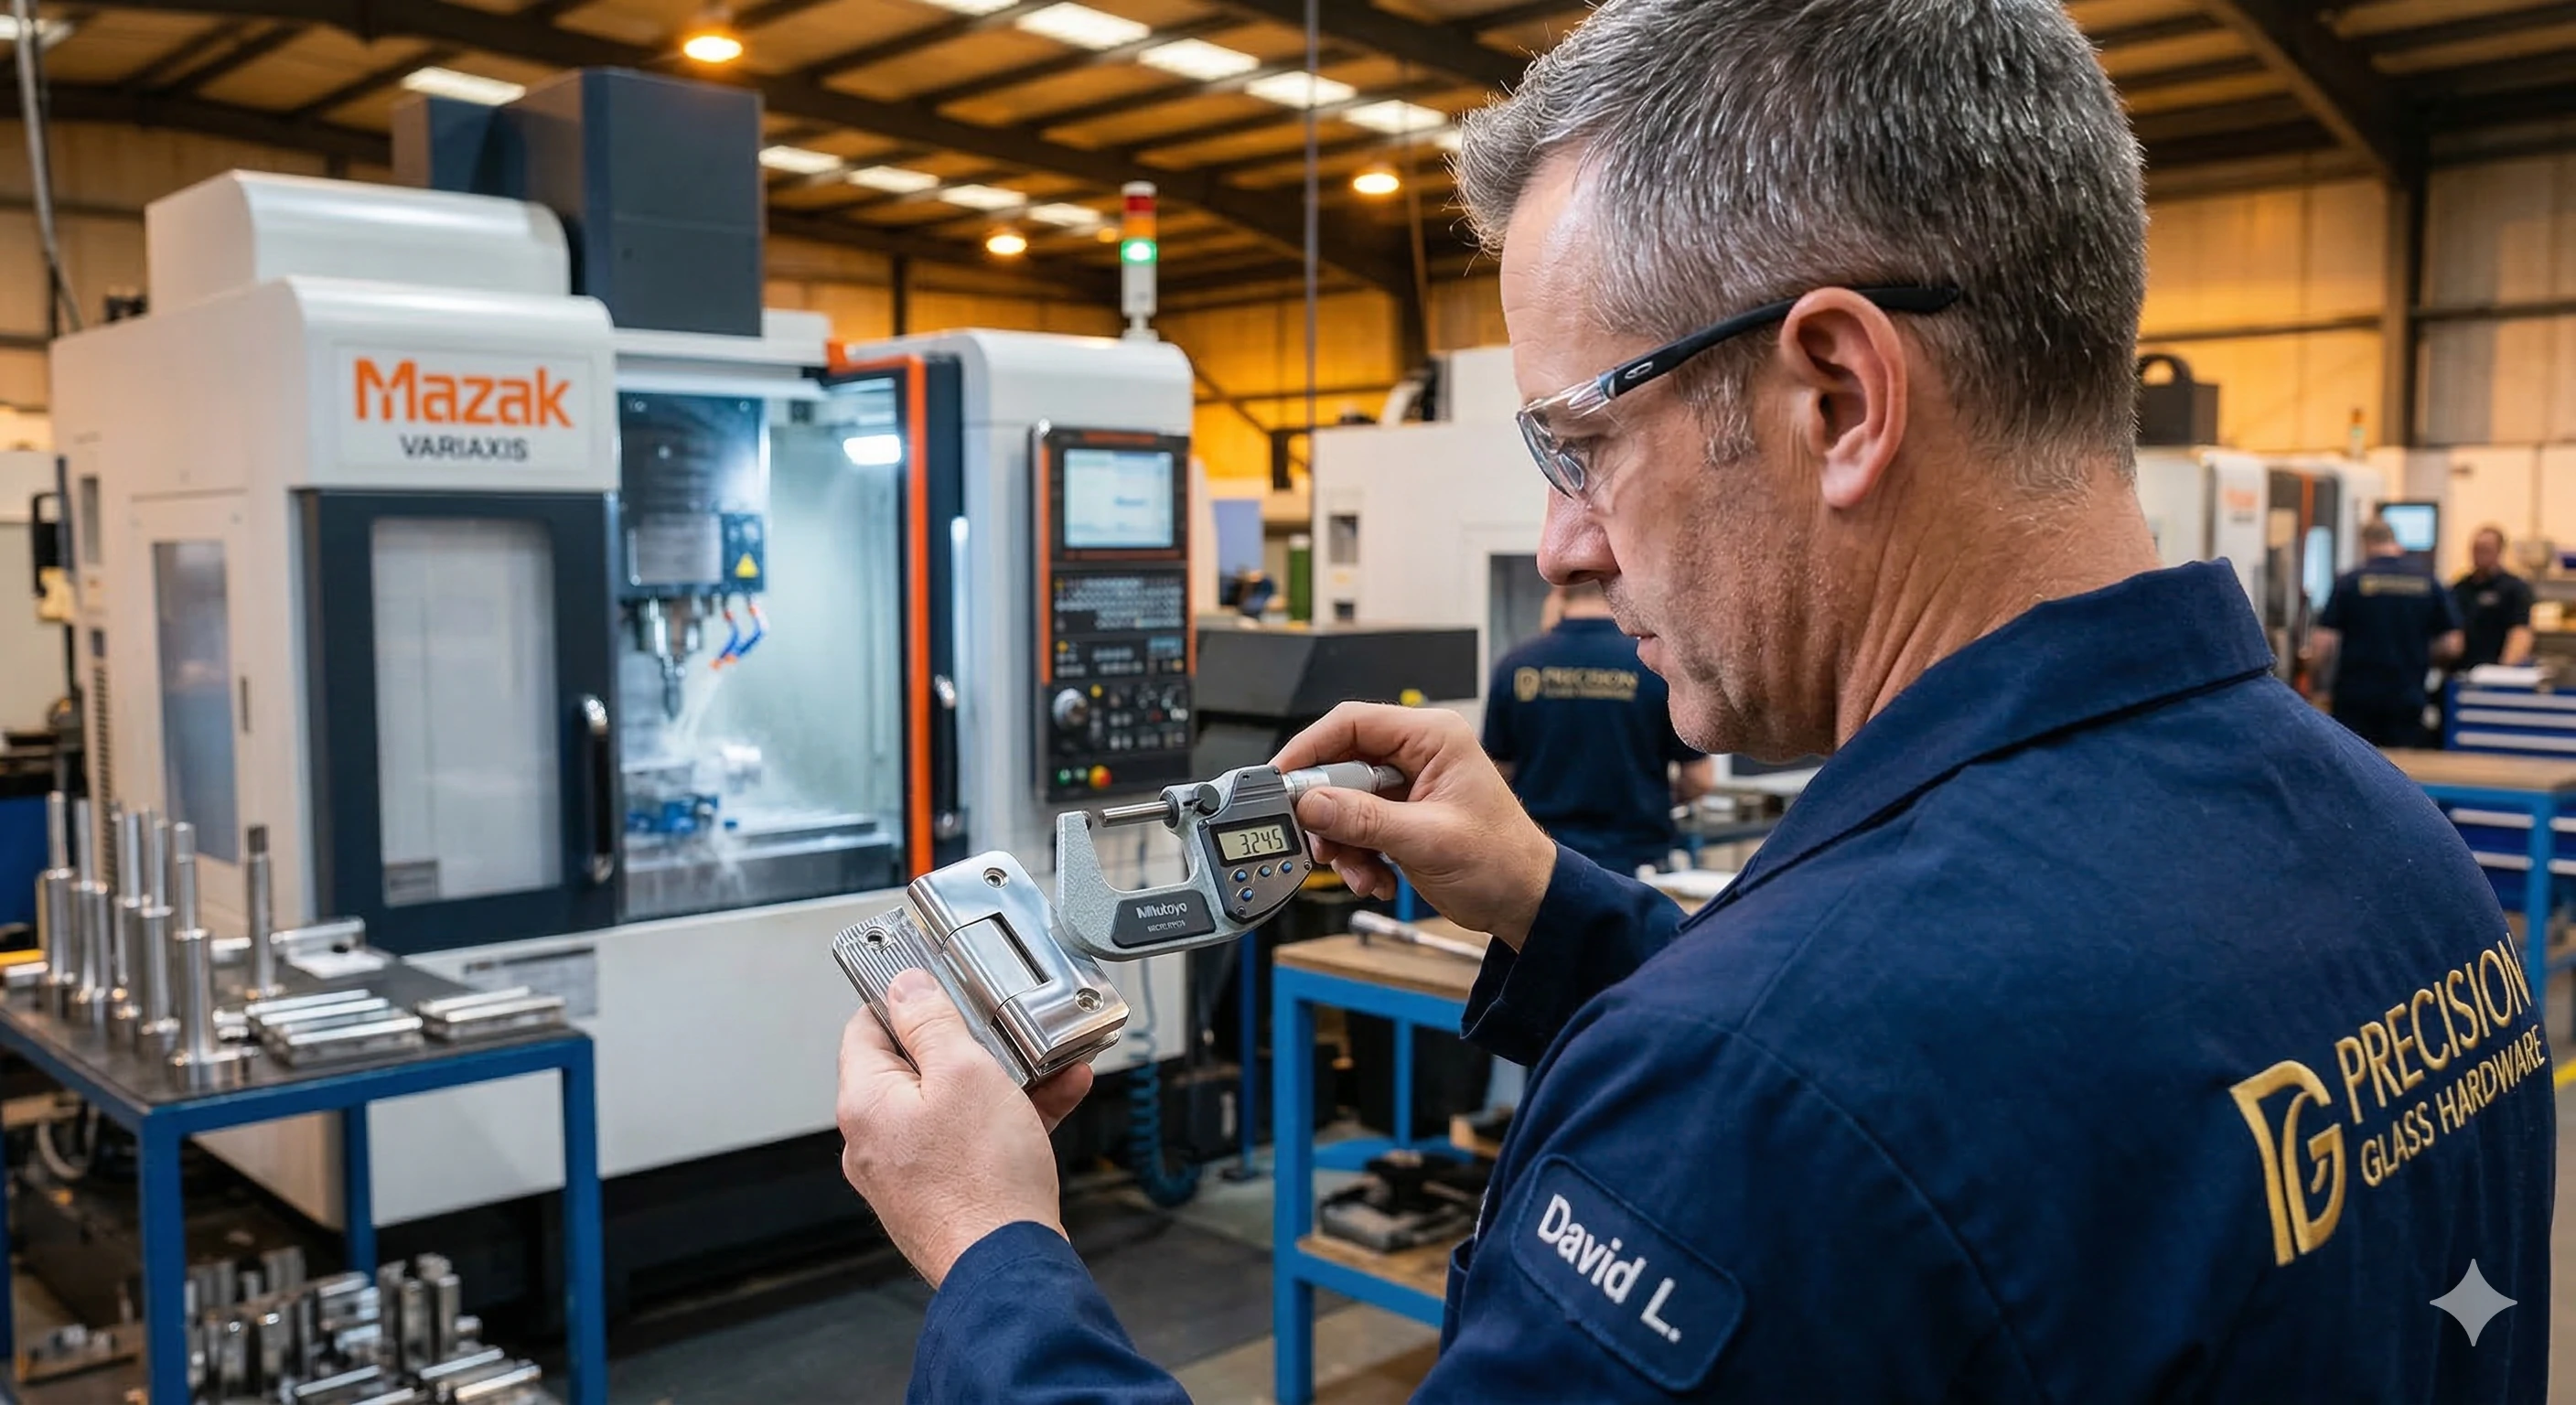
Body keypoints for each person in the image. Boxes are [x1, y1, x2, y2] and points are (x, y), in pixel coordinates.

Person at [834, 1, 2553, 1400]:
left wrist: (993, 1253)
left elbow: (1831, 1109)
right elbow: (1969, 1145)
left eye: (1578, 444)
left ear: (1836, 397)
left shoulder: (1769, 1092)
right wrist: (1551, 905)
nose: (1563, 543)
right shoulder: (2399, 859)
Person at [1482, 581, 1712, 874]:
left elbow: (1496, 775)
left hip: (1542, 861)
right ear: (1623, 591)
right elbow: (1699, 779)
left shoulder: (1517, 665)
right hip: (1634, 861)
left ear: (1558, 594)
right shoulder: (1654, 665)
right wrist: (1647, 799)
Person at [2313, 520, 2463, 748]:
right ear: (2394, 540)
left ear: (2366, 543)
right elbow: (2452, 645)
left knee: (2357, 761)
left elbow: (2323, 644)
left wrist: (2318, 686)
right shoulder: (2428, 582)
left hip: (2356, 698)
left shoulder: (2350, 582)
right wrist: (2420, 654)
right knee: (2401, 764)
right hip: (2407, 695)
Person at [2453, 524, 2536, 670]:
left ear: (2499, 551)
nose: (2479, 554)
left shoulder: (2515, 589)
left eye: (2485, 549)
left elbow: (2520, 633)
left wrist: (2503, 671)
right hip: (2463, 670)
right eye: (2476, 549)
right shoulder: (2460, 588)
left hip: (2495, 670)